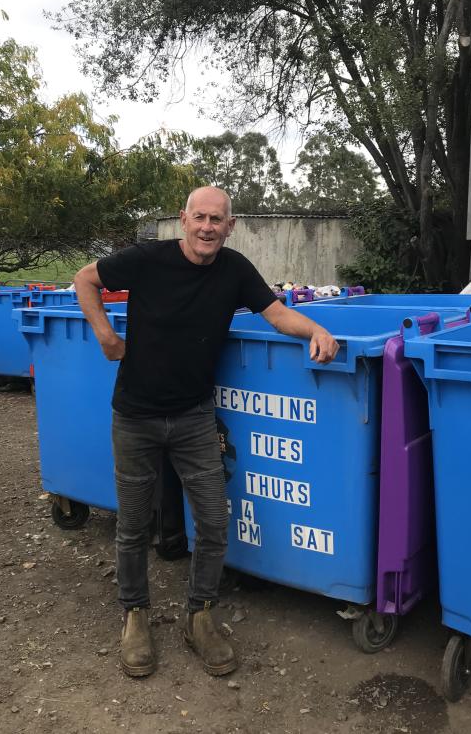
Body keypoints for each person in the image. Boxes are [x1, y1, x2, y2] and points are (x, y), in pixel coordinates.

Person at [74, 186, 339, 678]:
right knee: (133, 525)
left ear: (230, 226)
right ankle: (135, 614)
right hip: (135, 415)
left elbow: (276, 313)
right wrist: (107, 335)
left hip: (195, 416)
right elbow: (84, 280)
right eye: (199, 217)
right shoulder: (147, 260)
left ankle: (200, 615)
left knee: (215, 521)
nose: (207, 227)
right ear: (183, 219)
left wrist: (316, 331)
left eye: (217, 219)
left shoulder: (235, 269)